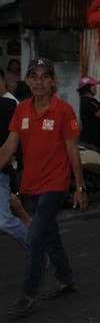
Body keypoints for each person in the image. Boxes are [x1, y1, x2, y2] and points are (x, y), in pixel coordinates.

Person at [0, 58, 87, 316]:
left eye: (45, 76)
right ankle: (66, 278)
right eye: (34, 76)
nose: (39, 81)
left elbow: (72, 150)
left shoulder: (63, 111)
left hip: (55, 185)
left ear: (53, 82)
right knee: (50, 236)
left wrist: (80, 187)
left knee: (36, 235)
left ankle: (28, 294)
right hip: (30, 185)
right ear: (27, 81)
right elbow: (8, 147)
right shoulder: (22, 110)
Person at [0, 93, 28, 250]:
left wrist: (15, 157)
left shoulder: (6, 105)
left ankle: (36, 249)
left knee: (4, 221)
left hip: (2, 170)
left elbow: (20, 136)